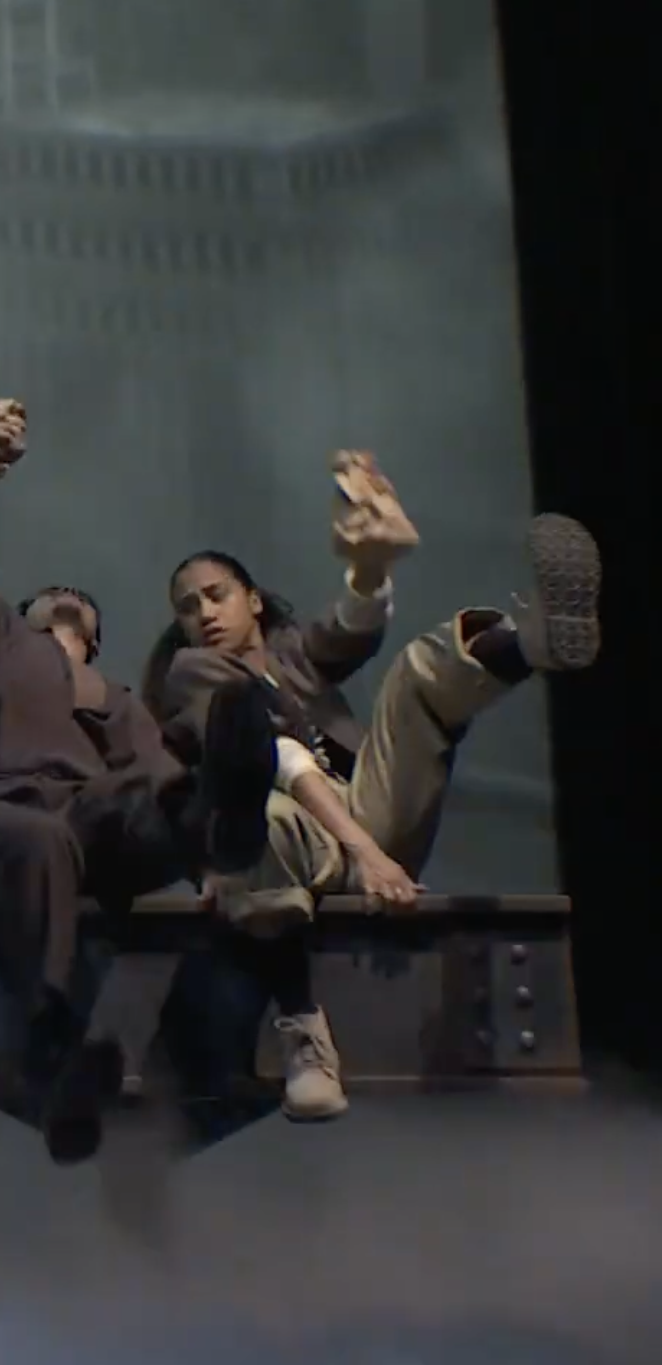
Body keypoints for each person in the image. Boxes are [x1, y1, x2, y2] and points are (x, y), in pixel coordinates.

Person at [136, 454, 602, 1119]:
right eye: (188, 607)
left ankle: (533, 645)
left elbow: (350, 627)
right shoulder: (193, 672)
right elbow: (279, 757)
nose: (203, 613)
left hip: (367, 822)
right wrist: (366, 853)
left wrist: (371, 561)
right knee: (263, 808)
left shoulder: (291, 652)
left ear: (253, 601)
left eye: (216, 595)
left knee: (415, 672)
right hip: (297, 844)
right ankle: (306, 1042)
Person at [0, 400, 287, 1167]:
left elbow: (151, 785)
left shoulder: (118, 700)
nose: (64, 602)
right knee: (37, 839)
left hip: (86, 818)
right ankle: (54, 1037)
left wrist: (206, 861)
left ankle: (229, 822)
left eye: (80, 611)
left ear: (97, 640)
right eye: (49, 601)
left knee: (161, 792)